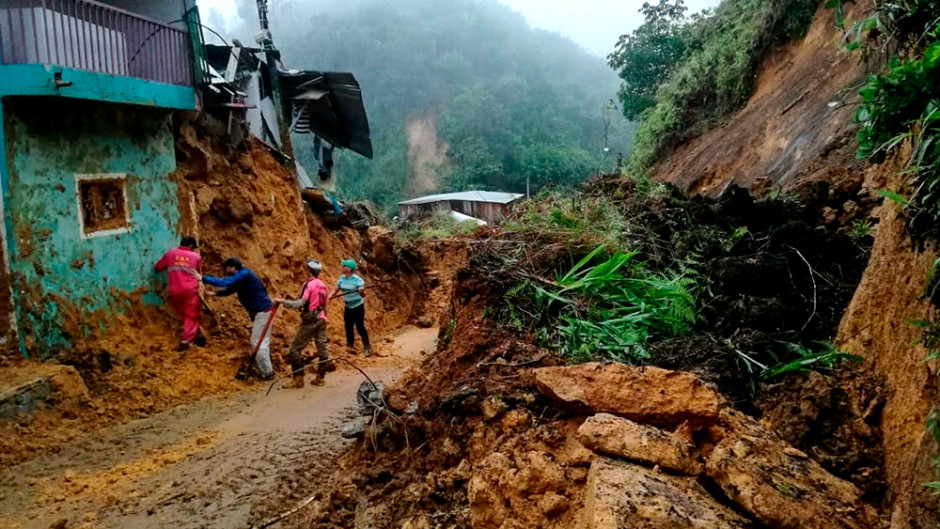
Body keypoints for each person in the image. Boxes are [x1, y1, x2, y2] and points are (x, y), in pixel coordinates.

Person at [197, 258, 276, 380]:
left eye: (227, 268)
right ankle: (266, 369)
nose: (225, 271)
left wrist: (203, 278)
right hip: (260, 312)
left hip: (263, 312)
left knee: (258, 343)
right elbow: (230, 289)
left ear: (233, 267)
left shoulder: (244, 274)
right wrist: (214, 294)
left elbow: (225, 283)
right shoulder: (242, 277)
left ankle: (267, 372)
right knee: (260, 341)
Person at [273, 259, 330, 388]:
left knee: (294, 349)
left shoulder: (308, 285)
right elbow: (326, 305)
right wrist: (323, 317)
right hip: (321, 319)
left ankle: (298, 379)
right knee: (323, 349)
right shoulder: (323, 285)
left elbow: (300, 303)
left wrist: (282, 301)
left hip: (310, 320)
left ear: (309, 270)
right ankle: (320, 378)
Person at [154, 236, 205, 351]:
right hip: (190, 291)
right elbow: (197, 271)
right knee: (191, 316)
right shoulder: (196, 256)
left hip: (175, 291)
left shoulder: (171, 253)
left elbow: (158, 267)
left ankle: (195, 334)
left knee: (183, 315)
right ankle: (186, 342)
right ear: (191, 246)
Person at [332, 259, 370, 356]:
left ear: (349, 269)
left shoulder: (358, 280)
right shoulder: (341, 279)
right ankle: (350, 346)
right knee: (348, 326)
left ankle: (367, 347)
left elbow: (363, 295)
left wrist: (361, 291)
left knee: (360, 326)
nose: (342, 267)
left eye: (344, 266)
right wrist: (328, 297)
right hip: (348, 307)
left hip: (357, 306)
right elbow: (335, 291)